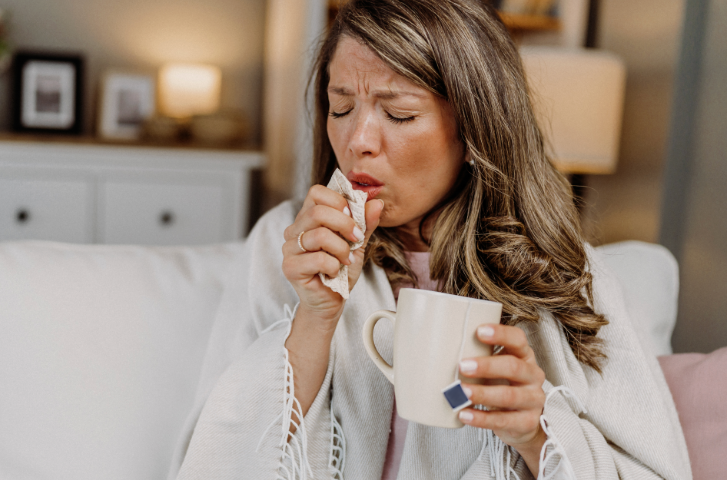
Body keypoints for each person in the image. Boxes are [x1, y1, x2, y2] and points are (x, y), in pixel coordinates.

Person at [170, 0, 692, 478]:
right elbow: (218, 461)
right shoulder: (288, 245)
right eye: (340, 106)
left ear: (474, 131)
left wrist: (536, 433)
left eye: (399, 114)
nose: (358, 142)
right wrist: (315, 315)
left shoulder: (570, 276)